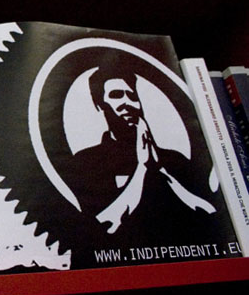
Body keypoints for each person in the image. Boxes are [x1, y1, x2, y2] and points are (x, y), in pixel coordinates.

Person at [64, 66, 216, 234]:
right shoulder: (85, 162)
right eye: (116, 95)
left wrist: (160, 168)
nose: (127, 103)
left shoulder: (174, 159)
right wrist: (143, 167)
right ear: (99, 104)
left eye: (132, 96)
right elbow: (102, 224)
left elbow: (207, 213)